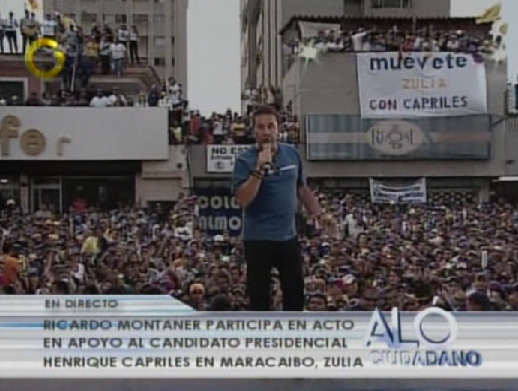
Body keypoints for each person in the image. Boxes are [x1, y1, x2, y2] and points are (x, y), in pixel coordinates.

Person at [231, 105, 327, 311]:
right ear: (254, 131)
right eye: (260, 127)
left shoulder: (292, 154)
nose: (266, 132)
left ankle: (293, 339)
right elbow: (243, 200)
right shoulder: (244, 161)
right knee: (260, 298)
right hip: (258, 239)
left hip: (287, 237)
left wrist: (318, 213)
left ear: (278, 129)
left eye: (270, 126)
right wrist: (259, 169)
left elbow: (301, 188)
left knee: (294, 293)